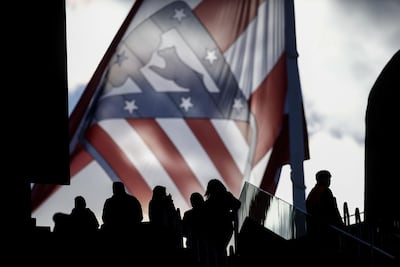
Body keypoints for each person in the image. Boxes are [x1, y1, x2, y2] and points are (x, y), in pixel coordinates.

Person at [306, 170, 344, 263]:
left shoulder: (313, 192)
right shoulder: (325, 191)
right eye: (327, 178)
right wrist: (341, 226)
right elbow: (332, 210)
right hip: (325, 229)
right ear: (322, 179)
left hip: (315, 229)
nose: (329, 180)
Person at [202, 179, 241, 267]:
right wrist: (232, 214)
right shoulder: (226, 195)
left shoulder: (209, 202)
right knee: (221, 248)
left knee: (216, 249)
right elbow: (238, 204)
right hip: (226, 227)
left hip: (213, 229)